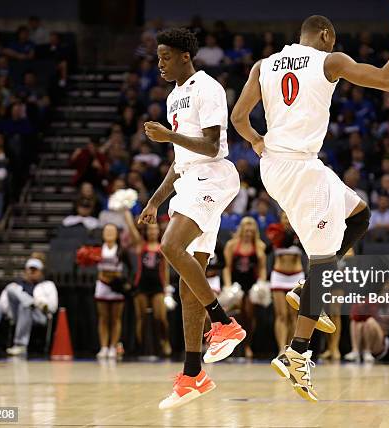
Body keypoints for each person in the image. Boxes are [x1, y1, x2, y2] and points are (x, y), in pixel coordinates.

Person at [231, 12, 389, 400]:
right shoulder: (330, 60)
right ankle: (296, 354)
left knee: (359, 214)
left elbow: (238, 118)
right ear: (326, 35)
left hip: (283, 165)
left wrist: (257, 142)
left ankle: (305, 289)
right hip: (300, 170)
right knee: (325, 266)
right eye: (334, 37)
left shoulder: (263, 66)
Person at [137, 28, 245, 410]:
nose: (160, 63)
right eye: (158, 57)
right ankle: (193, 373)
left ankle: (224, 322)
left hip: (213, 175)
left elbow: (212, 146)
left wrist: (169, 136)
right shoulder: (172, 97)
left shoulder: (207, 88)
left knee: (170, 246)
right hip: (189, 180)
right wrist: (153, 200)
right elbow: (180, 162)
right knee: (187, 285)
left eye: (165, 56)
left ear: (185, 56)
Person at [94, 211, 137, 360]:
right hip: (102, 286)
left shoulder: (121, 250)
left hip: (116, 287)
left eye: (112, 231)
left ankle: (113, 347)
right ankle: (103, 347)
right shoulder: (98, 249)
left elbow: (132, 268)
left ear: (116, 234)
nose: (109, 233)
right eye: (107, 231)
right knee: (103, 318)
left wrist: (126, 282)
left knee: (116, 318)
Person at [223, 216, 267, 358]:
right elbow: (227, 267)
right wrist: (228, 286)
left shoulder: (260, 245)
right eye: (246, 227)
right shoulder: (232, 244)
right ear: (241, 229)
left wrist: (261, 283)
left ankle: (247, 345)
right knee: (236, 314)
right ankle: (235, 346)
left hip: (251, 285)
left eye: (251, 227)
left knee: (249, 314)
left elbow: (262, 268)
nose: (248, 230)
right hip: (236, 284)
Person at [1, 254, 58, 356]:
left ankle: (20, 345)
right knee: (12, 290)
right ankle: (29, 303)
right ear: (25, 270)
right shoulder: (16, 285)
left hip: (39, 315)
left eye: (35, 270)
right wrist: (29, 302)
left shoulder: (48, 285)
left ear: (41, 272)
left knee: (25, 305)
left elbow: (53, 307)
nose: (32, 272)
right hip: (17, 315)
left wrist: (39, 303)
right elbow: (3, 305)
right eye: (30, 269)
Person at [266, 212, 304, 351]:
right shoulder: (275, 232)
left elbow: (305, 250)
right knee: (281, 315)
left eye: (289, 217)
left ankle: (292, 349)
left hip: (296, 276)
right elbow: (269, 249)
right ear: (280, 220)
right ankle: (281, 348)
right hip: (279, 276)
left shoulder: (300, 232)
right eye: (284, 217)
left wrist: (295, 237)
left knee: (294, 315)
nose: (287, 220)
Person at [133, 223, 171, 356]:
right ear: (146, 231)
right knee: (141, 317)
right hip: (142, 285)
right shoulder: (141, 245)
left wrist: (167, 288)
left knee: (160, 317)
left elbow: (165, 269)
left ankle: (164, 341)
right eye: (150, 229)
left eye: (155, 229)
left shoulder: (162, 247)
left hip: (157, 286)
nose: (152, 232)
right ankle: (141, 346)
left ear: (158, 232)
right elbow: (132, 231)